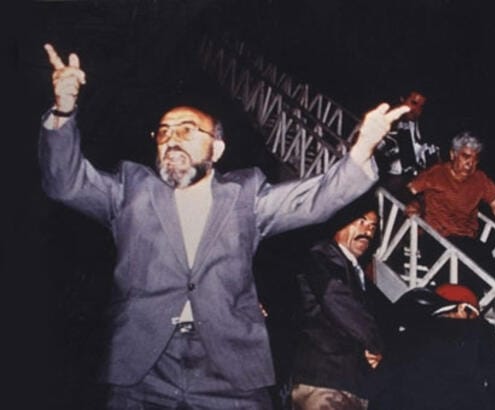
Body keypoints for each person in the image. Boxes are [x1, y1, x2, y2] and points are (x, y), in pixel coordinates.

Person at [39, 43, 408, 409]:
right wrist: (63, 112)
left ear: (216, 150)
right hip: (143, 368)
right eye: (164, 132)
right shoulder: (130, 189)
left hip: (228, 369)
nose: (172, 139)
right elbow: (66, 182)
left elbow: (316, 198)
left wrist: (362, 149)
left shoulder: (245, 195)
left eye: (187, 130)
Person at [289, 202, 384, 410]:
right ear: (340, 222)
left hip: (347, 384)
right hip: (326, 380)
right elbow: (335, 298)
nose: (367, 231)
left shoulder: (355, 271)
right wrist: (375, 344)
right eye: (361, 222)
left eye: (372, 226)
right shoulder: (324, 254)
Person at [404, 131, 495, 286]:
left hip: (466, 239)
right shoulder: (437, 173)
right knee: (457, 271)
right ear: (453, 154)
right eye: (466, 157)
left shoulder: (480, 179)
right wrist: (416, 205)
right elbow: (408, 191)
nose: (470, 164)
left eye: (475, 160)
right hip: (436, 237)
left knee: (488, 262)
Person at [366, 283, 495, 410]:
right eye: (474, 315)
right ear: (462, 308)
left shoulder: (407, 336)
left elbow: (375, 389)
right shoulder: (476, 329)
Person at [375, 90, 439, 200]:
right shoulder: (386, 119)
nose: (416, 110)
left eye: (421, 107)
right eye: (414, 103)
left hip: (410, 187)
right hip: (381, 180)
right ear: (402, 99)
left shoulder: (420, 129)